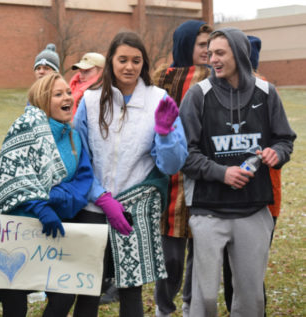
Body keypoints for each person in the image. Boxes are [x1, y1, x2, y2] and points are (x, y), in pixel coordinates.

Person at [179, 28, 296, 317]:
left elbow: (284, 139)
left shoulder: (267, 93)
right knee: (204, 299)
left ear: (240, 54)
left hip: (254, 209)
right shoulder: (197, 96)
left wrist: (276, 153)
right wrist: (222, 173)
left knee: (251, 299)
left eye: (220, 53)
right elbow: (184, 155)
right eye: (209, 53)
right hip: (208, 210)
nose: (212, 59)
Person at [72, 31, 188, 317]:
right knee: (88, 287)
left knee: (131, 290)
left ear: (144, 63)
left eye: (136, 60)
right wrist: (100, 197)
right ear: (110, 61)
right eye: (122, 59)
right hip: (93, 208)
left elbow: (172, 165)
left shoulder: (158, 99)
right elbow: (77, 158)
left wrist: (165, 133)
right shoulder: (89, 100)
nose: (129, 66)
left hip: (134, 211)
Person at [0, 73, 94, 317]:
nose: (68, 97)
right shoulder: (23, 128)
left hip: (55, 233)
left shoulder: (74, 136)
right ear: (44, 100)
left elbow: (83, 180)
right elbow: (12, 177)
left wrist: (56, 198)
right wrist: (39, 204)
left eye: (68, 92)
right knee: (15, 309)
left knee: (63, 299)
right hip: (15, 232)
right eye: (58, 94)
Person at [151, 20, 212, 317]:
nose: (208, 50)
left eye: (210, 45)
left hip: (206, 176)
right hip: (170, 177)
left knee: (200, 252)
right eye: (202, 45)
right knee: (171, 256)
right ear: (186, 44)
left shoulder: (217, 78)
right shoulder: (162, 79)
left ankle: (191, 305)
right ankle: (164, 306)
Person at [222, 34, 283, 316]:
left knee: (250, 271)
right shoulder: (216, 96)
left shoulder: (265, 96)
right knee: (231, 270)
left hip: (262, 200)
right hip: (224, 201)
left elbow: (282, 143)